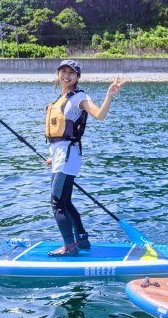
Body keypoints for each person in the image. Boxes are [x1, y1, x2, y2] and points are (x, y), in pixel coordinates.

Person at [44, 59, 127, 256]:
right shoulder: (60, 99)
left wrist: (109, 96)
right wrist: (51, 157)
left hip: (68, 155)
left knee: (56, 203)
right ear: (58, 75)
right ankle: (81, 239)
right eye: (63, 71)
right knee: (65, 201)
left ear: (78, 77)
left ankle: (69, 246)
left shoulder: (80, 97)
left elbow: (99, 115)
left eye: (71, 72)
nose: (67, 75)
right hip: (60, 155)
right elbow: (58, 135)